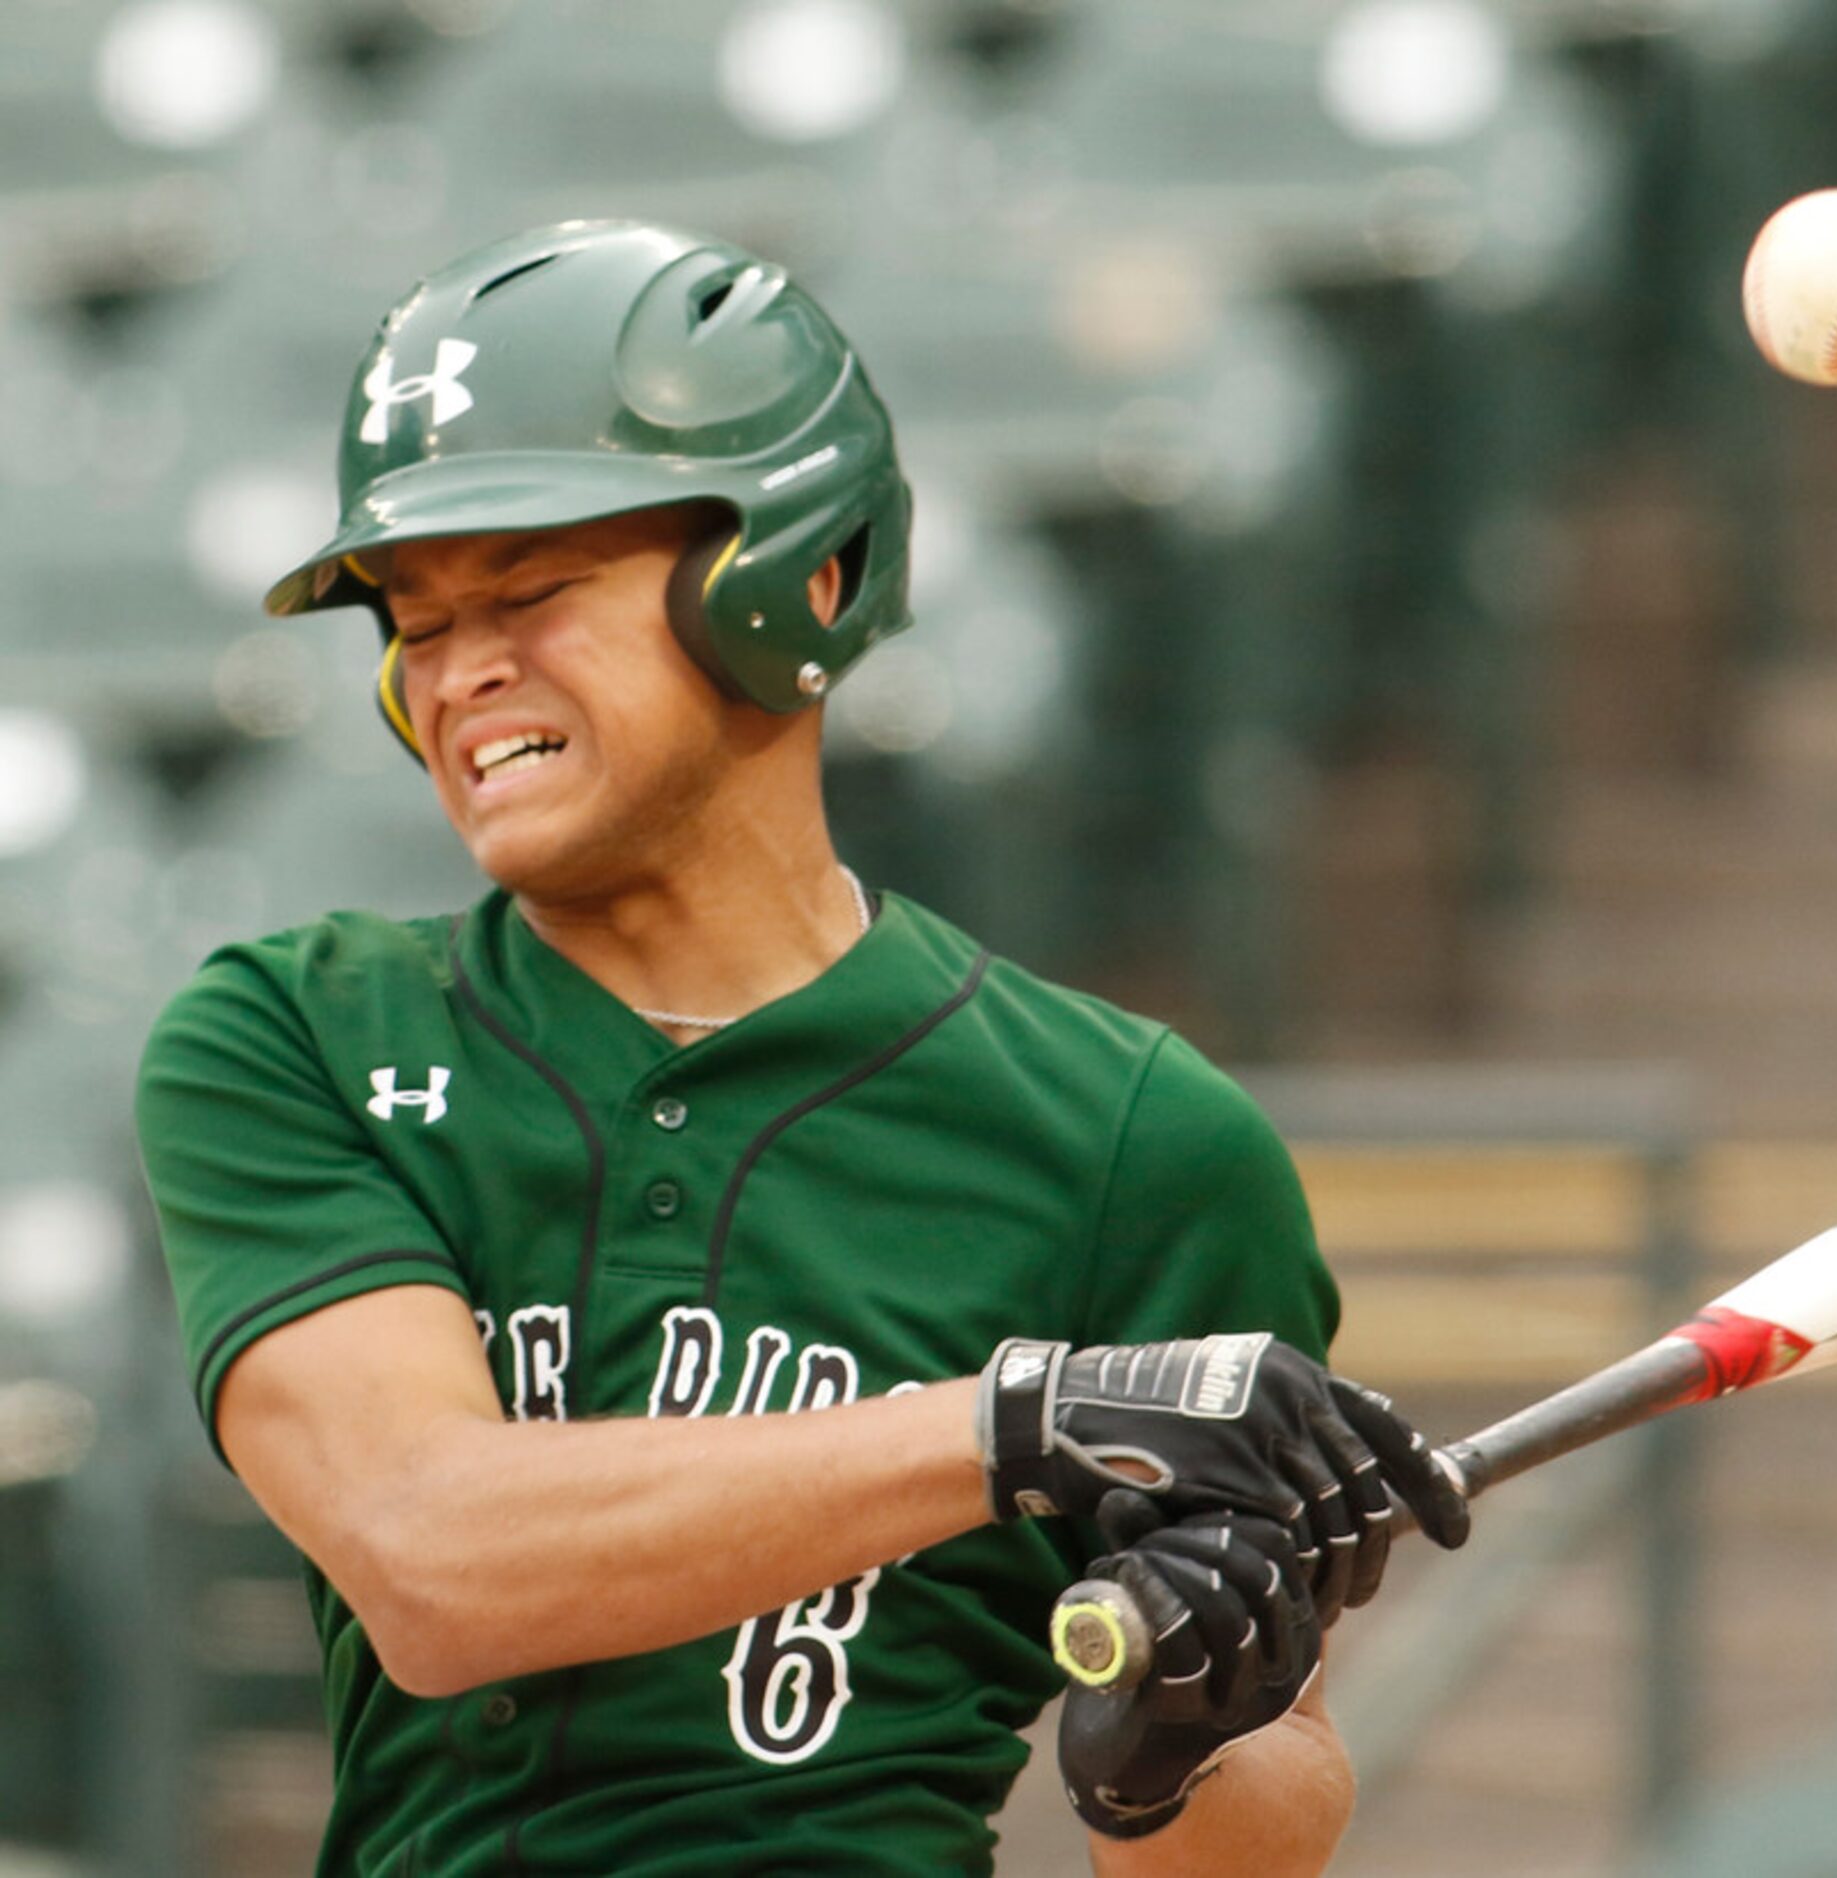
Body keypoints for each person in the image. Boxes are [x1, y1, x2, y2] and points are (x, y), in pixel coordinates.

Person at [135, 218, 1469, 1875]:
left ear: (801, 578)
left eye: (531, 588)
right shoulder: (298, 1031)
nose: (459, 667)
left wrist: (1172, 1750)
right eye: (411, 621)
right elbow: (431, 1558)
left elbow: (1268, 1803)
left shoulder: (1137, 1139)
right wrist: (1005, 1425)